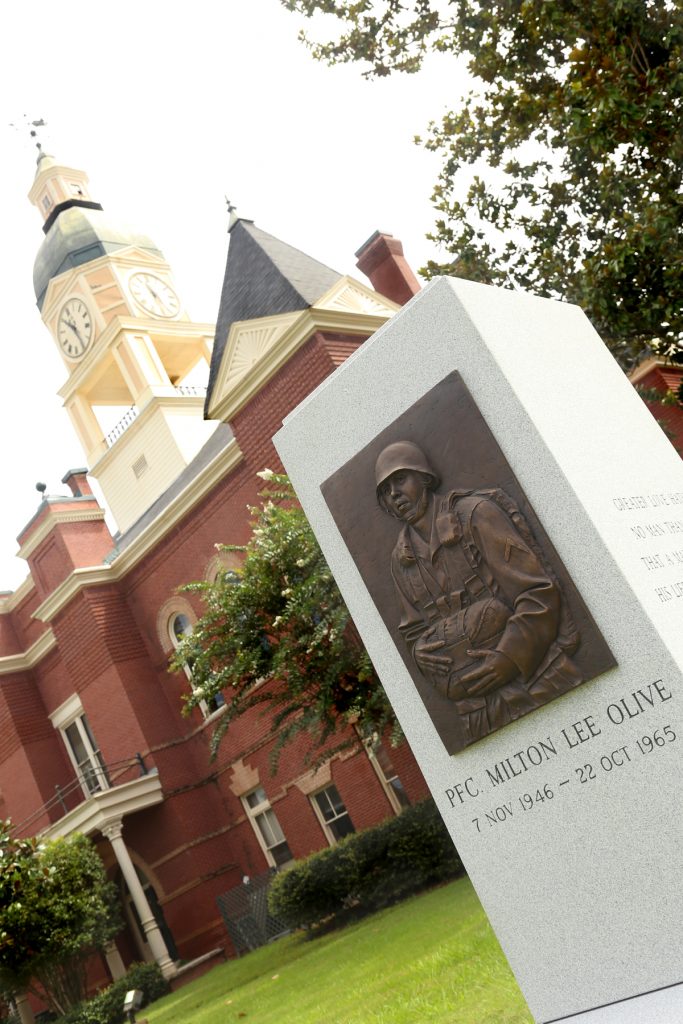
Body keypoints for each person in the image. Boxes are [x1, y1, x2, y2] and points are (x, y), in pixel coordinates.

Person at [375, 441, 582, 745]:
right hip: (478, 713)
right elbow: (413, 631)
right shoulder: (400, 560)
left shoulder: (475, 514)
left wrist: (510, 656)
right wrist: (420, 652)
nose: (393, 494)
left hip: (538, 679)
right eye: (385, 490)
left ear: (425, 478)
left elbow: (538, 593)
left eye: (400, 479)